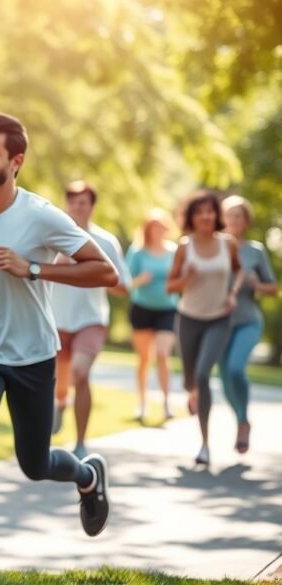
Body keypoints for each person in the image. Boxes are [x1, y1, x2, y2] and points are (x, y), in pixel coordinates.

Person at [0, 113, 117, 584]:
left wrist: (33, 269)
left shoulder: (40, 215)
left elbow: (104, 271)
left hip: (33, 355)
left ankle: (87, 476)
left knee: (35, 465)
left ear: (16, 161)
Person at [50, 181, 130, 458]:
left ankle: (81, 441)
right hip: (56, 320)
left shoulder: (105, 242)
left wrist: (94, 271)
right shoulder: (52, 238)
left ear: (92, 207)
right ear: (66, 204)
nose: (77, 207)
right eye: (72, 202)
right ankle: (60, 402)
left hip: (91, 320)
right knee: (58, 381)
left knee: (81, 374)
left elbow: (122, 287)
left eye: (83, 202)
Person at [166, 190, 242, 466]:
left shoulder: (228, 244)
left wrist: (232, 293)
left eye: (210, 211)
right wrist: (185, 278)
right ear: (192, 217)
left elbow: (238, 270)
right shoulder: (184, 247)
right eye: (199, 212)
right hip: (189, 318)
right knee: (189, 379)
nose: (205, 216)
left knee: (202, 374)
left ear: (216, 215)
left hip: (219, 319)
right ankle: (193, 391)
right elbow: (170, 286)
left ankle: (205, 445)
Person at [218, 195, 276, 453]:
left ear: (246, 220)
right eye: (229, 215)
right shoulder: (214, 245)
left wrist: (257, 284)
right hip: (218, 323)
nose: (233, 220)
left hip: (248, 321)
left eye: (238, 216)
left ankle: (242, 424)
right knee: (223, 379)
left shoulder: (255, 250)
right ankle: (241, 419)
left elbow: (273, 288)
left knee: (235, 370)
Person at [125, 209, 180, 422]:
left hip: (167, 309)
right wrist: (142, 279)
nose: (157, 230)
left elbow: (182, 278)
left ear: (167, 228)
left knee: (163, 354)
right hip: (142, 308)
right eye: (153, 226)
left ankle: (166, 403)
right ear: (147, 229)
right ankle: (141, 403)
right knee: (144, 359)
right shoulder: (137, 252)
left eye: (161, 226)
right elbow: (126, 283)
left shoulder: (174, 252)